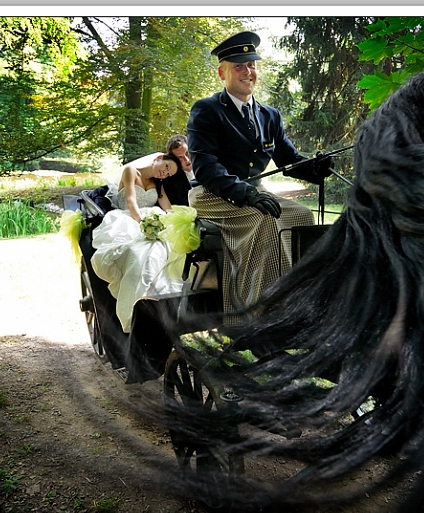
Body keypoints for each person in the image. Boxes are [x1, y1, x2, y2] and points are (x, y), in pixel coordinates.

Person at [186, 31, 332, 323]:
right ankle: (253, 318)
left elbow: (290, 160)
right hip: (211, 195)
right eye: (239, 66)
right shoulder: (207, 110)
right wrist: (247, 194)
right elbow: (205, 167)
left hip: (255, 195)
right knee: (264, 220)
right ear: (222, 72)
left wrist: (315, 169)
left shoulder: (269, 115)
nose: (247, 71)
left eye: (251, 64)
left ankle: (293, 303)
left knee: (302, 216)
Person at [91, 152, 193, 333]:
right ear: (160, 159)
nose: (165, 174)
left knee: (164, 249)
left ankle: (162, 301)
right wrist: (143, 224)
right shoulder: (131, 171)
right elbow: (131, 200)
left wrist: (176, 222)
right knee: (137, 253)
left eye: (168, 174)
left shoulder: (159, 184)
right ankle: (133, 306)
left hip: (153, 218)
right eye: (167, 168)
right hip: (129, 217)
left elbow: (168, 208)